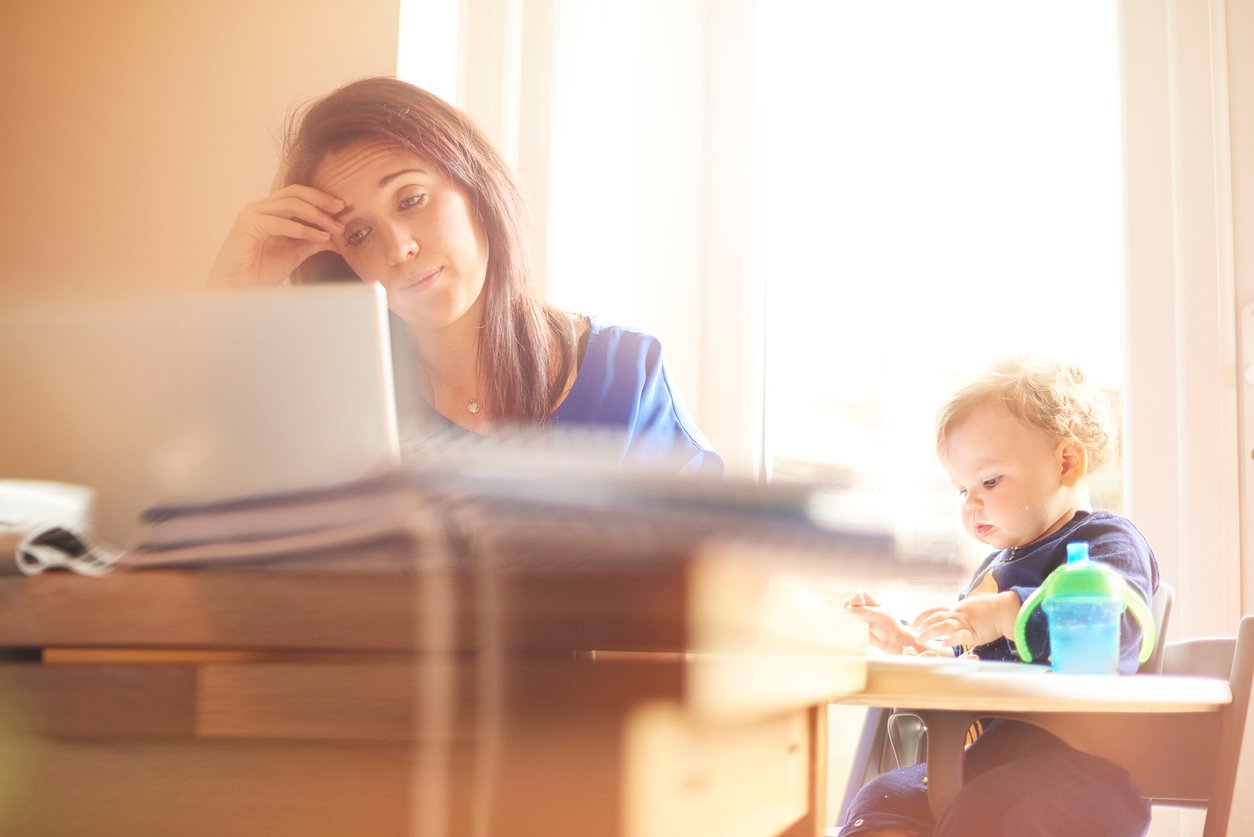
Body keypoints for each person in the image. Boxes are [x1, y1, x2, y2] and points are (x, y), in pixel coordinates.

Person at [209, 76, 721, 475]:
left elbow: (704, 579)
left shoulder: (626, 376)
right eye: (358, 235)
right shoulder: (336, 396)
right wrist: (233, 293)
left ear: (477, 188)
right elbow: (185, 519)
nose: (398, 247)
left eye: (411, 199)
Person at [837, 356, 1159, 837]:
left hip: (1081, 778)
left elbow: (1116, 632)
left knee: (984, 809)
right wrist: (914, 642)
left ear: (1066, 463)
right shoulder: (995, 568)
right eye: (961, 489)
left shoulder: (1107, 544)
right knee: (882, 796)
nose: (971, 503)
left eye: (989, 481)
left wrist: (1007, 612)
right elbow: (970, 659)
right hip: (985, 768)